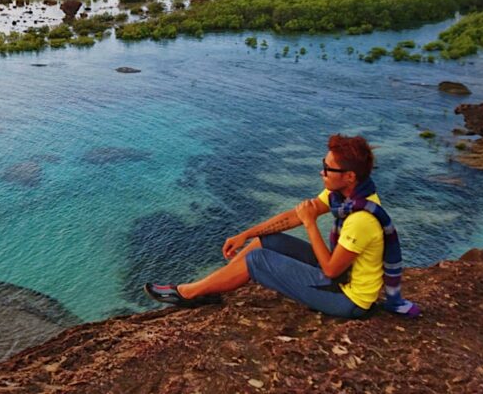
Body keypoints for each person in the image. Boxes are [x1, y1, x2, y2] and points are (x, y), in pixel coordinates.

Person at [144, 134, 419, 319]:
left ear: (349, 176)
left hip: (349, 299)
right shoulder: (345, 198)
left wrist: (311, 224)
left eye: (328, 169)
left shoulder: (362, 218)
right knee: (265, 242)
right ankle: (207, 288)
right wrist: (246, 234)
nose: (321, 172)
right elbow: (293, 217)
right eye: (323, 164)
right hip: (341, 276)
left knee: (256, 259)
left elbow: (331, 269)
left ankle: (188, 293)